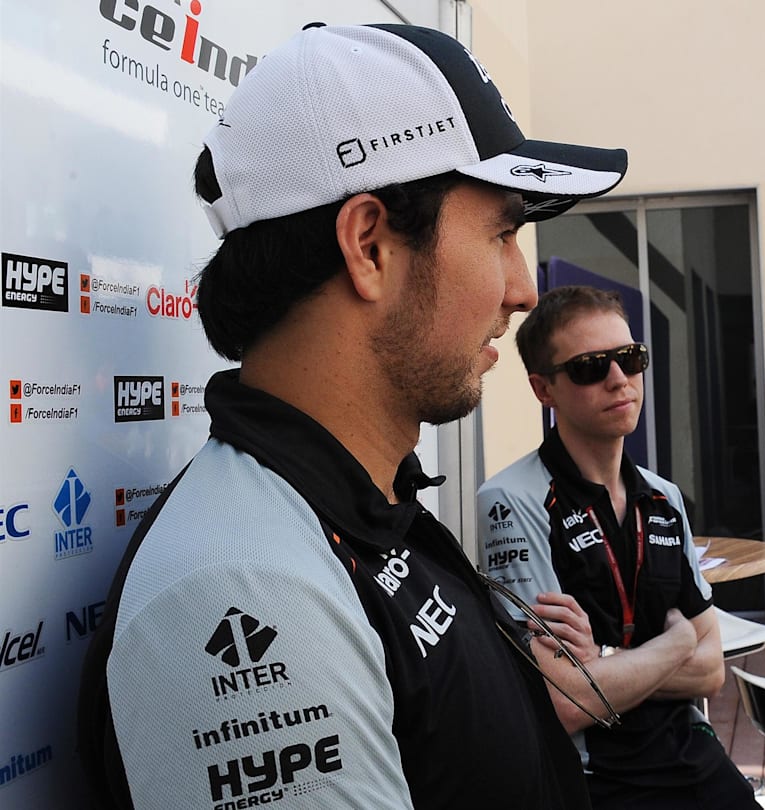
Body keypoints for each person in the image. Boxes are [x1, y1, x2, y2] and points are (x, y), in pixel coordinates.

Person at [76, 24, 629, 809]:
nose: (523, 288)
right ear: (369, 244)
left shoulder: (357, 509)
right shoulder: (248, 583)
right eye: (502, 232)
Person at [476, 285, 761, 810]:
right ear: (545, 390)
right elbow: (568, 699)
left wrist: (606, 661)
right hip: (598, 779)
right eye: (589, 366)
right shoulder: (510, 501)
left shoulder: (664, 497)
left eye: (630, 359)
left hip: (689, 753)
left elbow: (712, 670)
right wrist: (675, 645)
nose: (618, 379)